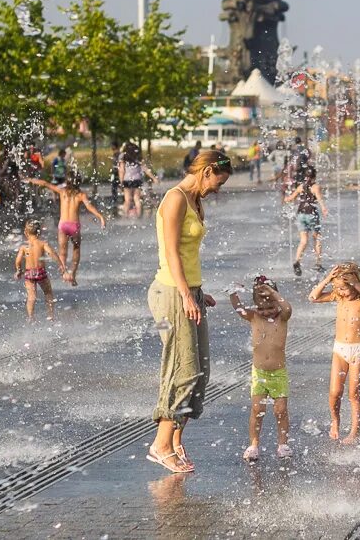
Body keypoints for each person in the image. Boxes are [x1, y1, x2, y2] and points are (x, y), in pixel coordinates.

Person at [147, 150, 232, 474]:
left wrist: (197, 291)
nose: (217, 190)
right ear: (207, 171)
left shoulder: (196, 200)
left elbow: (187, 253)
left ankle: (175, 441)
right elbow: (170, 252)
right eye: (218, 182)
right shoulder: (175, 198)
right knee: (184, 370)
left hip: (187, 290)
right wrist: (184, 293)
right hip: (170, 292)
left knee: (200, 373)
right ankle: (160, 444)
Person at [309, 262, 360, 445]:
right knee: (334, 392)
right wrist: (327, 279)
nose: (342, 292)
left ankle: (355, 432)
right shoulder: (337, 297)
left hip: (358, 350)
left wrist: (356, 285)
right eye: (338, 288)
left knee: (353, 394)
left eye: (344, 288)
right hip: (339, 350)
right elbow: (313, 297)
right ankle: (335, 420)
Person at [228, 276, 294, 462]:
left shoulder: (282, 317)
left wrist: (273, 293)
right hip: (259, 372)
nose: (266, 312)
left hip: (278, 373)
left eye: (271, 307)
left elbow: (287, 307)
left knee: (280, 410)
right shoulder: (254, 317)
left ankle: (283, 444)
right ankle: (254, 444)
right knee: (257, 410)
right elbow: (238, 308)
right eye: (262, 308)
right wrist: (233, 292)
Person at [24, 172, 106, 286]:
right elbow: (89, 206)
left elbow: (45, 183)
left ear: (67, 182)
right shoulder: (81, 195)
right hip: (74, 226)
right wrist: (100, 216)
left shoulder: (62, 192)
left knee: (62, 252)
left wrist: (30, 179)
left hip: (63, 225)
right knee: (76, 249)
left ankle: (64, 273)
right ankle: (73, 274)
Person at [14, 220, 66, 322]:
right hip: (40, 272)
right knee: (48, 293)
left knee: (31, 296)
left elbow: (18, 261)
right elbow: (52, 253)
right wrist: (61, 265)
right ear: (39, 232)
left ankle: (30, 317)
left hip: (29, 273)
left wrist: (18, 271)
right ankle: (50, 315)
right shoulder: (42, 244)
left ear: (26, 232)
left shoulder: (24, 247)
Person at [284, 165, 329, 276]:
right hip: (311, 214)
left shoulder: (301, 187)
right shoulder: (315, 187)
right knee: (317, 238)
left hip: (301, 215)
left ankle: (297, 261)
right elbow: (319, 199)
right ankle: (318, 263)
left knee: (303, 240)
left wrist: (285, 197)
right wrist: (324, 208)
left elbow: (290, 199)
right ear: (314, 176)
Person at [119, 142, 159, 217]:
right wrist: (153, 178)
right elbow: (145, 169)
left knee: (127, 200)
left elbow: (122, 170)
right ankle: (139, 217)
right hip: (137, 180)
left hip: (127, 180)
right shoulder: (138, 157)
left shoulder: (124, 157)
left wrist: (121, 182)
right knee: (137, 199)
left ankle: (125, 217)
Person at [109, 142, 122, 206]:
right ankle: (114, 200)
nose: (111, 148)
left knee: (118, 186)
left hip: (118, 172)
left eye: (112, 146)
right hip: (115, 172)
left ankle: (116, 200)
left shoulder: (119, 154)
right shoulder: (115, 154)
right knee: (114, 187)